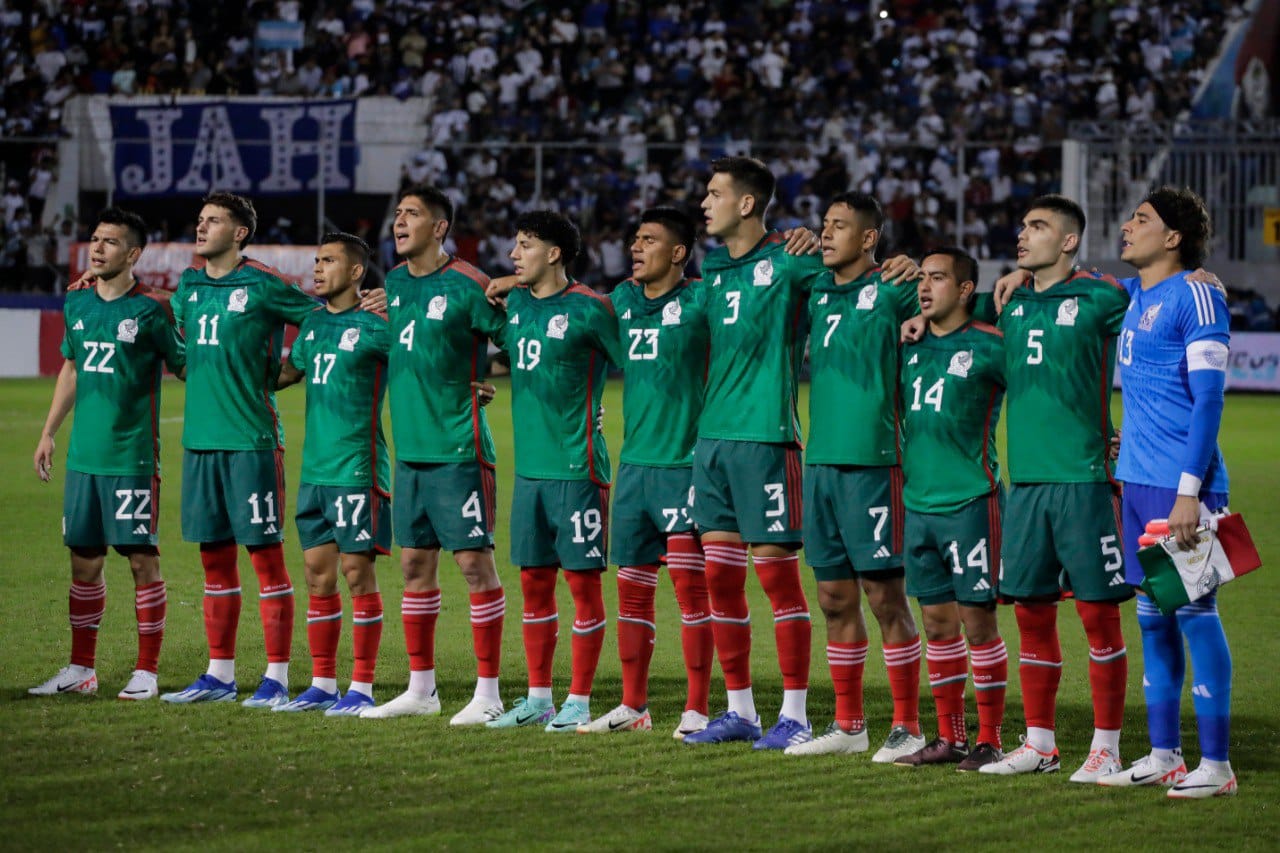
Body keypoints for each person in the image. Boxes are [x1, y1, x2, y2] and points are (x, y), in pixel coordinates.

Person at [970, 196, 1132, 780]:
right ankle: (1040, 744)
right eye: (1022, 224)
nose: (1022, 233)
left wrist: (1194, 277)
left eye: (1037, 227)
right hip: (1027, 487)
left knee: (1097, 617)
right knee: (1032, 615)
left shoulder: (1103, 296)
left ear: (1068, 242)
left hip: (1084, 481)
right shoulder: (1008, 302)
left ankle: (1107, 747)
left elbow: (1157, 320)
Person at [1098, 187, 1237, 798]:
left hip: (1184, 486)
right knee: (1153, 620)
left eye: (1142, 219)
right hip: (1137, 482)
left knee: (1196, 616)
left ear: (1174, 237)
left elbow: (1209, 400)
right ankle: (1164, 754)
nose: (1127, 226)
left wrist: (1189, 493)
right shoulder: (1136, 295)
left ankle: (1219, 766)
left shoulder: (1198, 296)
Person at [682, 156, 825, 750]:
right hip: (712, 443)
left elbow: (848, 285)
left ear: (746, 203)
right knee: (720, 579)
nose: (704, 203)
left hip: (766, 439)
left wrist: (873, 258)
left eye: (713, 193)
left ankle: (796, 714)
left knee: (778, 583)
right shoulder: (712, 268)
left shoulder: (792, 259)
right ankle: (739, 710)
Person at [160, 192, 323, 708]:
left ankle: (276, 677)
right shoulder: (187, 286)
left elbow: (322, 320)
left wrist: (290, 370)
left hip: (251, 441)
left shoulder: (264, 283)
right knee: (214, 560)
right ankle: (219, 675)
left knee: (266, 558)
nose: (201, 227)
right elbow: (183, 351)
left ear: (240, 233)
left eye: (213, 221)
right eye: (200, 219)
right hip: (200, 444)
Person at [784, 192, 926, 762]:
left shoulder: (894, 288)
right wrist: (790, 235)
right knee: (833, 597)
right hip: (820, 465)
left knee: (885, 597)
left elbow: (951, 307)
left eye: (839, 226)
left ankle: (908, 726)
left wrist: (916, 270)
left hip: (875, 464)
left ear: (870, 239)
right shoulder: (815, 288)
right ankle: (849, 726)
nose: (826, 233)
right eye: (823, 224)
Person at [360, 185, 510, 725]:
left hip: (459, 449)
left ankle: (489, 694)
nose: (399, 222)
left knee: (474, 565)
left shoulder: (470, 283)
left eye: (412, 214)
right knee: (414, 565)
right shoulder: (395, 283)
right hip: (411, 453)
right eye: (397, 213)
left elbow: (520, 340)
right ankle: (421, 689)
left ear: (439, 227)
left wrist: (489, 379)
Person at [30, 207, 184, 701]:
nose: (97, 248)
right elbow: (71, 368)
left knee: (142, 562)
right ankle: (81, 669)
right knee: (84, 563)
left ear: (133, 254)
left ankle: (147, 670)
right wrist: (48, 432)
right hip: (84, 461)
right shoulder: (78, 303)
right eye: (95, 239)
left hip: (131, 459)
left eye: (110, 242)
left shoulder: (153, 310)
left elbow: (185, 365)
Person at [575, 206, 715, 739]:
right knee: (632, 592)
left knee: (690, 595)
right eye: (635, 238)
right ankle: (634, 706)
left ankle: (697, 708)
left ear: (679, 253)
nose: (635, 247)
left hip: (687, 467)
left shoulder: (703, 301)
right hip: (634, 469)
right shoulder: (620, 304)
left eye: (649, 240)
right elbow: (557, 320)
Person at [486, 210, 623, 732]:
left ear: (554, 253)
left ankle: (580, 700)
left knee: (584, 589)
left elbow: (638, 362)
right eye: (514, 244)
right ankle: (539, 697)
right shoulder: (514, 304)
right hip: (531, 475)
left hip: (578, 469)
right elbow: (515, 356)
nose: (514, 254)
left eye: (524, 245)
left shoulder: (591, 309)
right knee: (535, 585)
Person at [893, 248, 1008, 772]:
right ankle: (950, 737)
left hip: (970, 502)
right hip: (917, 504)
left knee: (978, 623)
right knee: (937, 625)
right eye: (921, 278)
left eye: (937, 278)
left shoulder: (991, 347)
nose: (924, 286)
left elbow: (1040, 393)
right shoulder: (909, 344)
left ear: (965, 290)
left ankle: (990, 739)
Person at [270, 233, 391, 716]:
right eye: (316, 260)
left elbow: (424, 366)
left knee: (357, 574)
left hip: (357, 469)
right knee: (318, 576)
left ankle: (361, 686)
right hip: (315, 471)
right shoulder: (314, 324)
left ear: (357, 271)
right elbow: (287, 374)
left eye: (329, 261)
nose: (317, 268)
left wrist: (473, 385)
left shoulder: (379, 325)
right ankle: (322, 682)